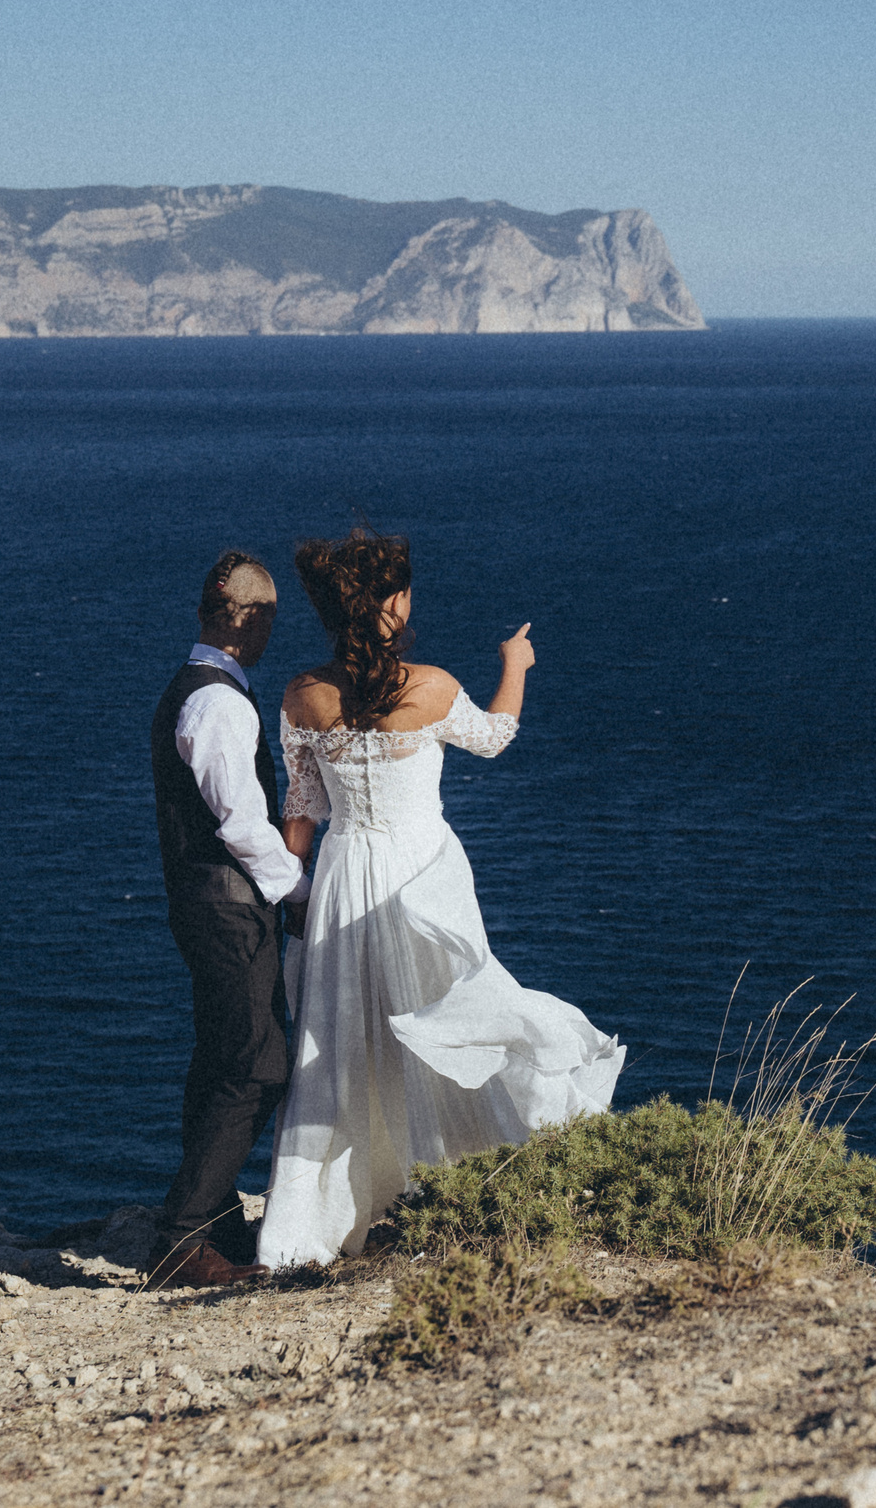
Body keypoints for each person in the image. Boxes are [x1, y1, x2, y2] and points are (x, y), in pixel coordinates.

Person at [256, 529, 622, 1268]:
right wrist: (514, 663)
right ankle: (459, 1183)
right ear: (393, 605)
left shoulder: (301, 694)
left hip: (344, 872)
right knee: (445, 1018)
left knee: (342, 1039)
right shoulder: (433, 686)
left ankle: (330, 1215)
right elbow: (495, 735)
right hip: (421, 875)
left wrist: (287, 897)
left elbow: (300, 815)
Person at [146, 550, 310, 1288]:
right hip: (228, 906)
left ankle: (209, 1221)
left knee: (220, 1055)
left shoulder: (194, 689)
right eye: (269, 616)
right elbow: (240, 820)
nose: (273, 629)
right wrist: (296, 888)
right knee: (257, 1063)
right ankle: (182, 1239)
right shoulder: (220, 703)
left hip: (203, 902)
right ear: (247, 617)